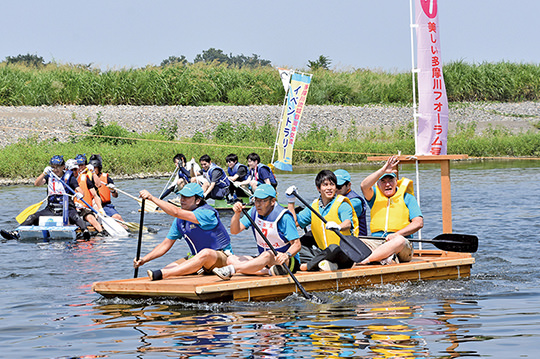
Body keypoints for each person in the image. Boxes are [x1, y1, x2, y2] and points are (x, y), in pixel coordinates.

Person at [135, 182, 232, 281]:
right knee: (168, 268)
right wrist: (144, 260)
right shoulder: (180, 221)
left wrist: (151, 198)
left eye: (186, 197)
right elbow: (165, 245)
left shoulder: (207, 213)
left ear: (198, 200)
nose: (182, 200)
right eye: (181, 196)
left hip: (222, 259)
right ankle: (164, 273)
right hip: (198, 260)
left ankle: (163, 274)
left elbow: (176, 212)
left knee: (205, 253)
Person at [212, 184, 301, 280]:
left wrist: (286, 255)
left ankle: (232, 270)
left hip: (286, 262)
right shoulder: (254, 212)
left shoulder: (284, 217)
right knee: (230, 259)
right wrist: (237, 214)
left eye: (262, 201)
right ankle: (269, 271)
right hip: (265, 259)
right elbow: (234, 231)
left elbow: (297, 244)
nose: (258, 204)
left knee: (267, 255)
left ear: (273, 201)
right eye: (256, 200)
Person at [1, 155, 91, 240]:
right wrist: (43, 174)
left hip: (67, 208)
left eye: (58, 167)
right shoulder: (49, 176)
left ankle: (85, 231)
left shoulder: (69, 177)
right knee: (32, 217)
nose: (55, 170)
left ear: (63, 166)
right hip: (51, 208)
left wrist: (79, 194)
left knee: (76, 217)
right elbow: (37, 184)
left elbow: (80, 191)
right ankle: (15, 233)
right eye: (53, 167)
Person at [287, 170, 360, 271]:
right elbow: (294, 223)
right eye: (325, 185)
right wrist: (291, 202)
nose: (329, 188)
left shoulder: (342, 204)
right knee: (296, 247)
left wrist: (339, 226)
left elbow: (347, 223)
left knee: (334, 248)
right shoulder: (313, 207)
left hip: (343, 254)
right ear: (318, 188)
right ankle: (323, 264)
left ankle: (307, 266)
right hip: (323, 253)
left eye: (332, 184)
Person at [359, 155, 424, 265]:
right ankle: (384, 258)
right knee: (356, 241)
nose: (387, 184)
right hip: (377, 242)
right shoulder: (374, 196)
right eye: (383, 181)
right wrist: (383, 170)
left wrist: (397, 234)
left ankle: (366, 261)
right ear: (378, 184)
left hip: (401, 245)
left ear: (396, 181)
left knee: (399, 241)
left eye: (390, 180)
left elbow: (418, 223)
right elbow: (364, 186)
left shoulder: (407, 197)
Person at [73, 154, 106, 235]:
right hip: (74, 205)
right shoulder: (69, 177)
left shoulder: (87, 175)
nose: (79, 168)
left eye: (82, 165)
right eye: (78, 165)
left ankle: (101, 232)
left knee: (91, 215)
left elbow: (97, 188)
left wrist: (100, 209)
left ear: (85, 165)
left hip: (89, 202)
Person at [89, 154, 124, 223]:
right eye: (92, 168)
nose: (93, 170)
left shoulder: (106, 179)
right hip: (92, 205)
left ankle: (127, 230)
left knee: (117, 217)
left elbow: (115, 195)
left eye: (95, 168)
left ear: (99, 168)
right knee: (97, 216)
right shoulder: (87, 178)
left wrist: (113, 190)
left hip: (105, 205)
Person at [334, 169, 368, 236]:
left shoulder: (355, 201)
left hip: (358, 240)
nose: (336, 189)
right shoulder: (335, 198)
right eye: (333, 186)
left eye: (339, 187)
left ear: (349, 185)